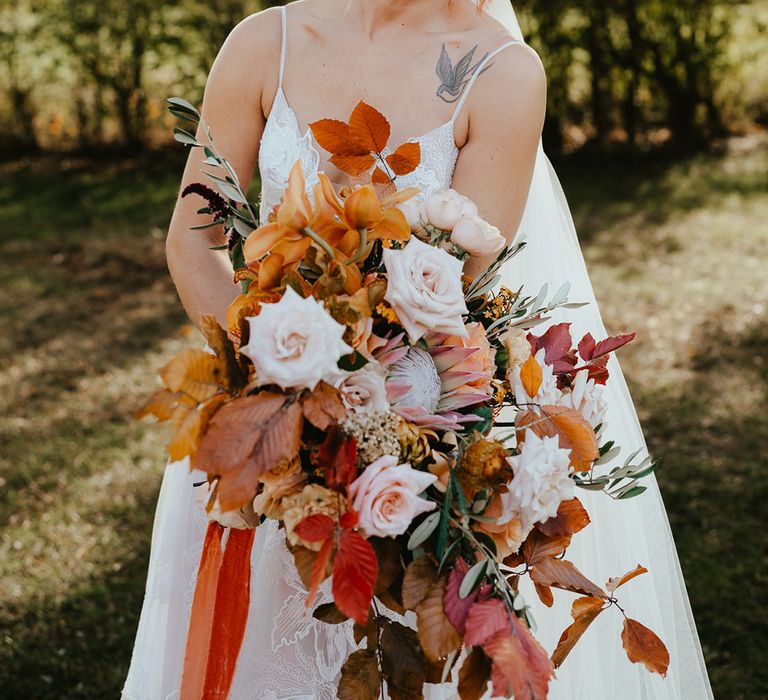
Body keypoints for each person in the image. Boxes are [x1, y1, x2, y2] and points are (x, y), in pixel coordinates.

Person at [122, 1, 713, 698]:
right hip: (260, 433)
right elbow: (194, 241)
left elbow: (454, 311)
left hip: (407, 452)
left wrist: (348, 429)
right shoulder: (265, 44)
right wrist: (275, 397)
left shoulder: (501, 74)